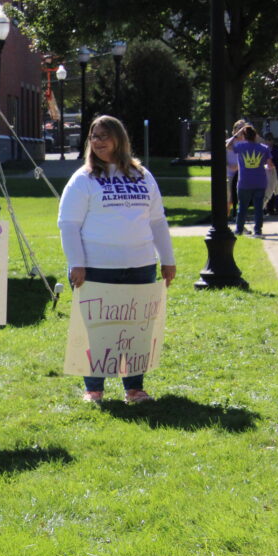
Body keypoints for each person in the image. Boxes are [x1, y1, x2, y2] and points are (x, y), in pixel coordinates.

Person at [58, 115, 176, 404]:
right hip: (97, 268)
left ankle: (134, 388)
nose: (97, 142)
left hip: (140, 266)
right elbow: (68, 224)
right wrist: (77, 263)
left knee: (137, 330)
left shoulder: (142, 175)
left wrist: (167, 259)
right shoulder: (83, 179)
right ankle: (93, 389)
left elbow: (158, 221)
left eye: (104, 136)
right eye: (93, 136)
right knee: (96, 331)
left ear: (119, 139)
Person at [226, 124, 273, 236]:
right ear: (255, 135)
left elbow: (228, 145)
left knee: (242, 207)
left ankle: (239, 229)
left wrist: (236, 135)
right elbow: (270, 165)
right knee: (258, 208)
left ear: (243, 136)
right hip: (260, 182)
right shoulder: (263, 148)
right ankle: (258, 230)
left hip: (244, 182)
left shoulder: (241, 147)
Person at [226, 119, 249, 219]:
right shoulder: (229, 142)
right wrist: (229, 165)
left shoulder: (247, 143)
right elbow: (225, 151)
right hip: (230, 173)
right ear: (234, 130)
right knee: (229, 196)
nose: (241, 130)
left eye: (243, 128)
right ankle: (226, 215)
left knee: (242, 196)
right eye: (239, 128)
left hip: (243, 174)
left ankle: (240, 215)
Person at [263, 132, 278, 216]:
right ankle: (269, 209)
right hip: (267, 174)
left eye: (271, 139)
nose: (269, 141)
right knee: (269, 192)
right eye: (267, 139)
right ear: (264, 141)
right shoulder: (263, 150)